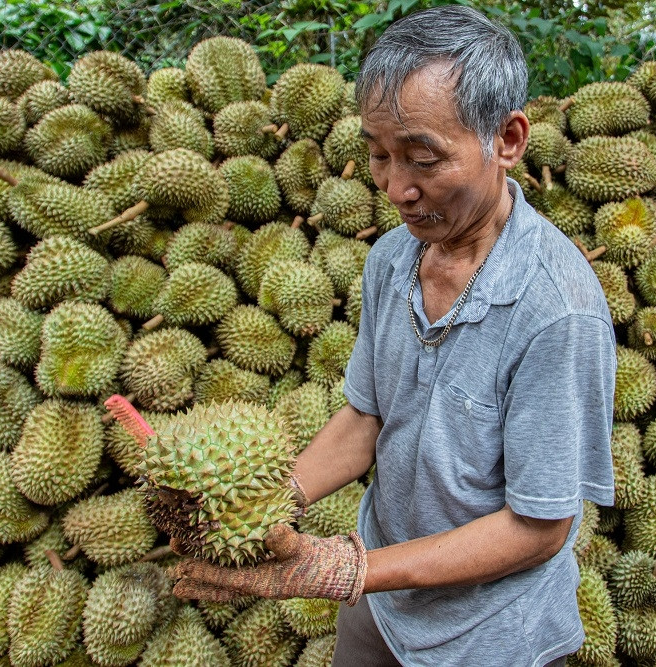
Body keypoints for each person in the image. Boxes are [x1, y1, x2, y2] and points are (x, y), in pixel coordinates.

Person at [171, 6, 618, 666]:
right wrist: (265, 504)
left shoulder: (557, 309)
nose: (398, 188)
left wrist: (350, 571)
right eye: (380, 155)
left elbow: (539, 526)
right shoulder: (391, 259)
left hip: (489, 635)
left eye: (423, 158)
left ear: (508, 140)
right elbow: (368, 414)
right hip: (385, 609)